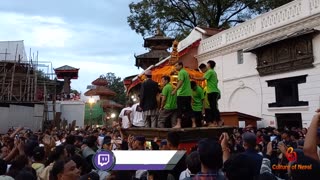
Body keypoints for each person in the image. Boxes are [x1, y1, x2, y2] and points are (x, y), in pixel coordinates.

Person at [193, 62, 221, 126]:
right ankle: (216, 121)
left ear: (209, 65)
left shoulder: (210, 71)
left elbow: (202, 79)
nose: (207, 65)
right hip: (213, 91)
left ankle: (218, 120)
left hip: (212, 91)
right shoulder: (213, 72)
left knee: (213, 107)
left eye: (207, 64)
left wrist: (194, 78)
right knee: (213, 107)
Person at [171, 62, 193, 128]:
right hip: (188, 93)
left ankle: (178, 124)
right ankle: (193, 123)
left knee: (179, 109)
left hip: (181, 93)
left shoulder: (181, 72)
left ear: (181, 65)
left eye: (176, 66)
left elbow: (180, 82)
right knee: (189, 109)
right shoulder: (185, 72)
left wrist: (175, 90)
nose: (175, 67)